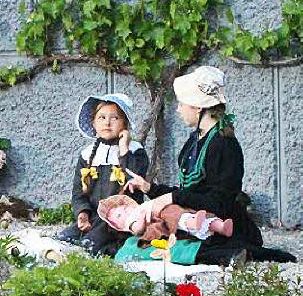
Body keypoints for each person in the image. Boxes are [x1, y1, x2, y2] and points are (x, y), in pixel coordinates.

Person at [124, 65, 294, 264]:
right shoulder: (194, 140)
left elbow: (220, 202)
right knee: (135, 245)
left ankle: (244, 253)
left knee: (177, 250)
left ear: (198, 107)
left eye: (181, 104)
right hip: (194, 221)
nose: (178, 109)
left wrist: (172, 197)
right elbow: (191, 192)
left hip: (222, 225)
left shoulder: (225, 145)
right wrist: (150, 188)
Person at [57, 94, 150, 256]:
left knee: (90, 244)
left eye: (114, 118)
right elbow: (78, 193)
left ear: (125, 124)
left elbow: (135, 180)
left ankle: (109, 246)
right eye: (102, 117)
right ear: (93, 123)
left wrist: (123, 150)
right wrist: (82, 213)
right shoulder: (87, 155)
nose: (107, 122)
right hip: (93, 217)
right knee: (64, 238)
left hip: (120, 218)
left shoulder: (135, 151)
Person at [97, 193, 233, 243]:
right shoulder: (130, 222)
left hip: (161, 214)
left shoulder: (141, 207)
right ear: (119, 225)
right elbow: (138, 229)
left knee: (184, 211)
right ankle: (191, 222)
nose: (125, 212)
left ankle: (220, 227)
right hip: (154, 226)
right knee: (172, 213)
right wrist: (141, 217)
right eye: (120, 215)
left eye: (125, 208)